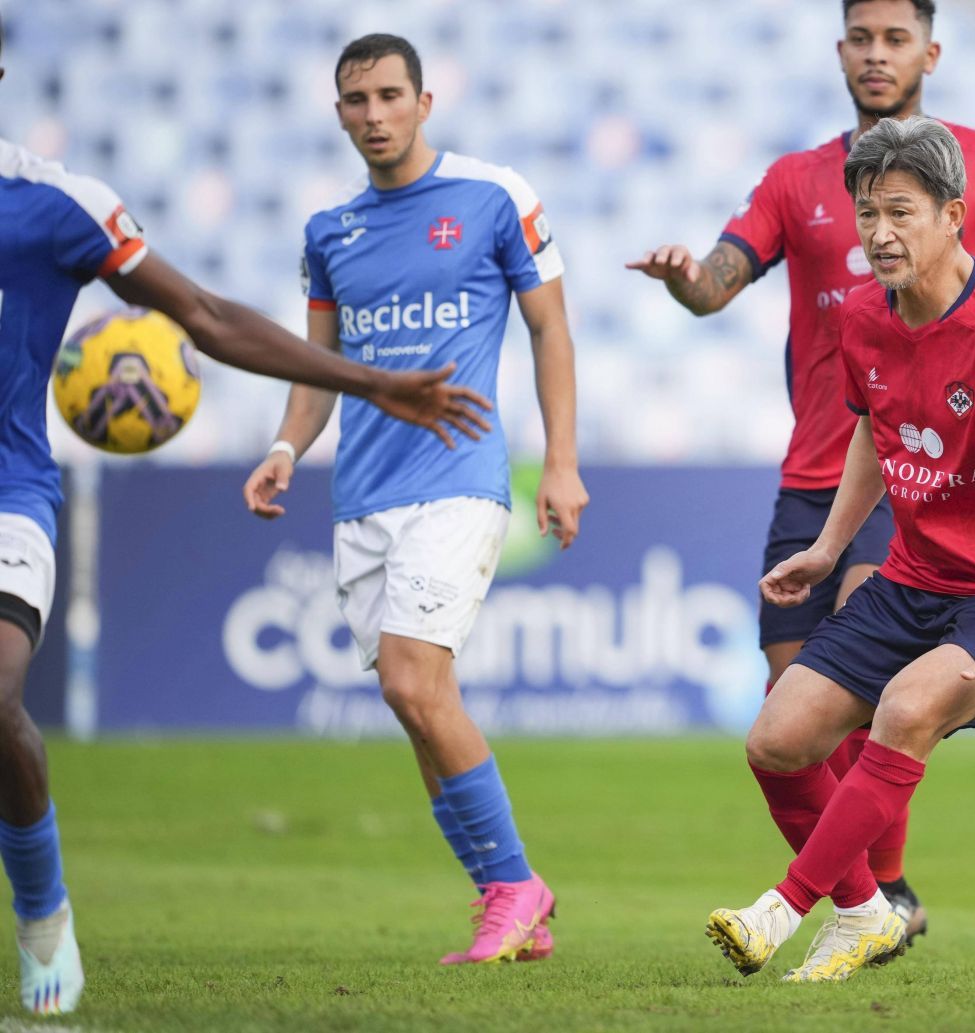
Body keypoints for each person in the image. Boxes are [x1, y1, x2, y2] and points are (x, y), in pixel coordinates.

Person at [0, 18, 494, 1015]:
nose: (373, 113)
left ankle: (43, 909)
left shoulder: (55, 206)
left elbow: (211, 319)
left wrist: (368, 381)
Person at [627, 0, 975, 945]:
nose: (875, 53)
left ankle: (869, 895)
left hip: (930, 497)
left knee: (892, 708)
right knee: (789, 722)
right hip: (828, 468)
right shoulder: (798, 181)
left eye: (894, 37)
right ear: (839, 50)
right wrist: (685, 280)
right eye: (860, 37)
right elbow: (715, 285)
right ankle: (862, 904)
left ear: (930, 52)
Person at [704, 114, 975, 983]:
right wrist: (830, 546)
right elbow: (872, 437)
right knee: (776, 739)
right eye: (867, 213)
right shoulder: (863, 321)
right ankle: (864, 914)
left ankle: (781, 909)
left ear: (954, 215)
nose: (879, 234)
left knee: (906, 710)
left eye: (902, 213)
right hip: (915, 576)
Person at [241, 34, 588, 967]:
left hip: (463, 479)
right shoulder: (328, 232)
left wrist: (561, 462)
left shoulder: (492, 196)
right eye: (355, 101)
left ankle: (513, 885)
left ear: (425, 102)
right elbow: (313, 372)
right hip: (362, 497)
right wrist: (284, 445)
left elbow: (550, 329)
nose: (373, 116)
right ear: (340, 112)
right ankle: (517, 904)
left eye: (390, 95)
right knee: (418, 702)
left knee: (408, 680)